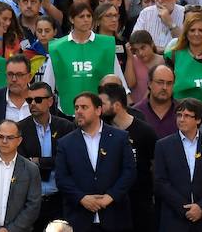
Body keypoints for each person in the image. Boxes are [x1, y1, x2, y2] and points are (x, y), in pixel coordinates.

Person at [54, 92, 136, 232]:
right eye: (76, 108)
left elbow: (129, 172)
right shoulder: (65, 143)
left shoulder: (119, 138)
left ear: (98, 110)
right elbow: (62, 178)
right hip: (79, 219)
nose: (78, 111)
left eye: (84, 107)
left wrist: (110, 196)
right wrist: (82, 198)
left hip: (114, 217)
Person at [153, 98, 202, 232]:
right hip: (174, 219)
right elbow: (160, 181)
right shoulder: (163, 145)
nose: (181, 119)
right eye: (179, 115)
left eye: (187, 116)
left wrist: (201, 207)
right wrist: (184, 208)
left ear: (198, 120)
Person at [43, 2, 128, 116]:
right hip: (68, 113)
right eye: (81, 16)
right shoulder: (57, 48)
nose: (86, 20)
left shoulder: (106, 45)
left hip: (100, 113)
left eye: (89, 16)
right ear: (71, 19)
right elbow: (47, 86)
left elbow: (119, 82)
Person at [17, 82, 76, 232]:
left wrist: (38, 161)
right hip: (30, 201)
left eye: (38, 100)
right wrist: (51, 162)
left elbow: (69, 161)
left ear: (50, 101)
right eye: (29, 100)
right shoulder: (20, 129)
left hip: (59, 200)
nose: (33, 104)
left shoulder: (65, 127)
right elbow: (22, 164)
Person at [98, 82, 157, 231]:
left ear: (116, 105)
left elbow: (155, 165)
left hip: (139, 203)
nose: (98, 108)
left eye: (102, 104)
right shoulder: (100, 130)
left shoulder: (145, 131)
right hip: (110, 202)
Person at [164, 10, 202, 106]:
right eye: (192, 30)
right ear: (186, 32)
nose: (196, 34)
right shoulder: (172, 56)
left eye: (201, 30)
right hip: (183, 112)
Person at [0, 54, 33, 136]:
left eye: (19, 75)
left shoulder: (40, 98)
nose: (14, 79)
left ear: (29, 77)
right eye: (10, 74)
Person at [133, 64, 180, 138]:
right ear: (149, 83)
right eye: (160, 82)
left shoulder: (182, 111)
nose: (165, 87)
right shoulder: (136, 113)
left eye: (169, 83)